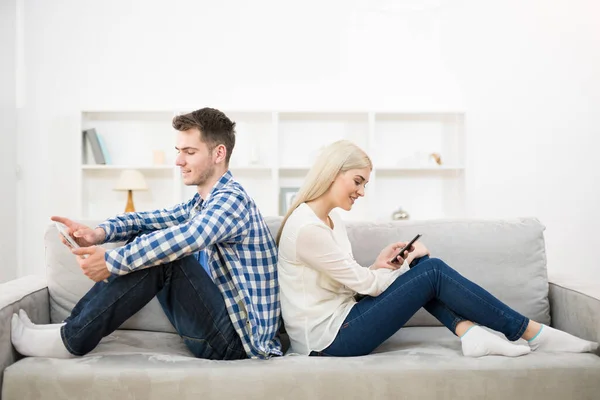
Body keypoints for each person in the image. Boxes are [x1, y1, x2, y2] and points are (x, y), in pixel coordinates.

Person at [276, 140, 598, 357]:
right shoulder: (307, 228)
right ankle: (530, 332)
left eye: (364, 184)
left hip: (344, 318)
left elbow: (353, 282)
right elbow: (363, 286)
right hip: (327, 341)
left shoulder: (331, 221)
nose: (361, 191)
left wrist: (380, 266)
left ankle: (469, 333)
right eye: (358, 181)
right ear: (334, 173)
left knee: (423, 265)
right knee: (429, 270)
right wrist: (399, 269)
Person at [11, 107, 282, 360]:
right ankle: (68, 329)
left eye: (189, 151)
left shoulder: (232, 200)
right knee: (147, 241)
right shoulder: (202, 202)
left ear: (218, 153)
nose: (178, 160)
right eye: (178, 150)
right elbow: (148, 220)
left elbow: (189, 237)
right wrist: (99, 233)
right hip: (220, 328)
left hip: (239, 344)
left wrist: (110, 262)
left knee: (164, 258)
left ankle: (71, 340)